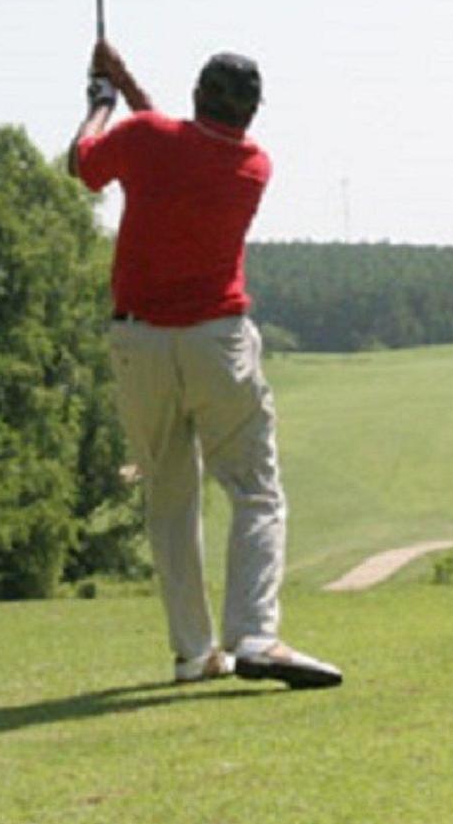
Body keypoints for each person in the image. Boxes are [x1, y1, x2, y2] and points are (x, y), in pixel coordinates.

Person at [68, 36, 341, 690]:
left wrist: (101, 102)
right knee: (254, 490)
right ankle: (253, 635)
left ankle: (194, 652)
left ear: (197, 95)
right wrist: (128, 86)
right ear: (252, 112)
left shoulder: (150, 140)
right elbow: (176, 144)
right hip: (217, 343)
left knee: (169, 496)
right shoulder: (253, 164)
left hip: (140, 345)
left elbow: (84, 163)